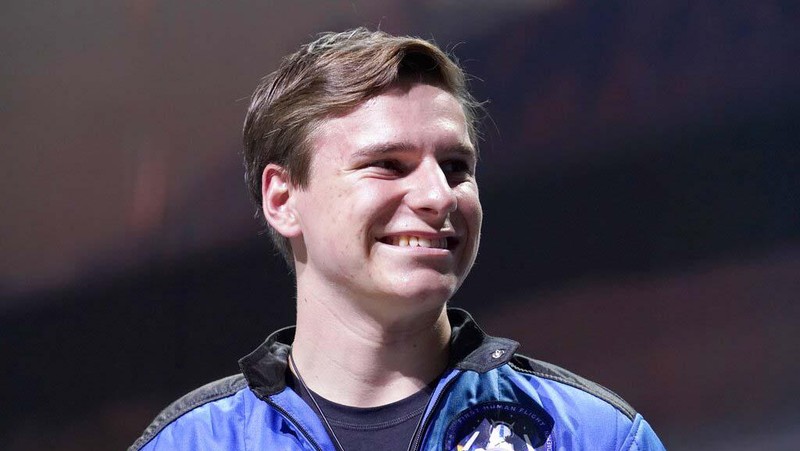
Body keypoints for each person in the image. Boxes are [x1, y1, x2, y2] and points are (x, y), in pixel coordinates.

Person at [129, 28, 665, 451]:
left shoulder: (593, 438)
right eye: (388, 165)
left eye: (456, 166)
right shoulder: (188, 445)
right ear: (282, 199)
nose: (439, 195)